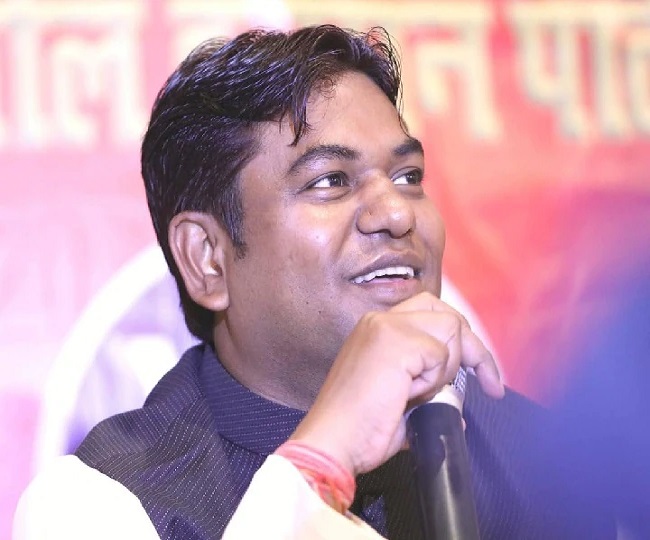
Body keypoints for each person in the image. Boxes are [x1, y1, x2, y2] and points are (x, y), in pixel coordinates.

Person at [14, 25, 615, 539]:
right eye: (330, 181)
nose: (396, 212)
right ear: (207, 259)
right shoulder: (102, 502)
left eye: (408, 176)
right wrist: (322, 457)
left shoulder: (552, 461)